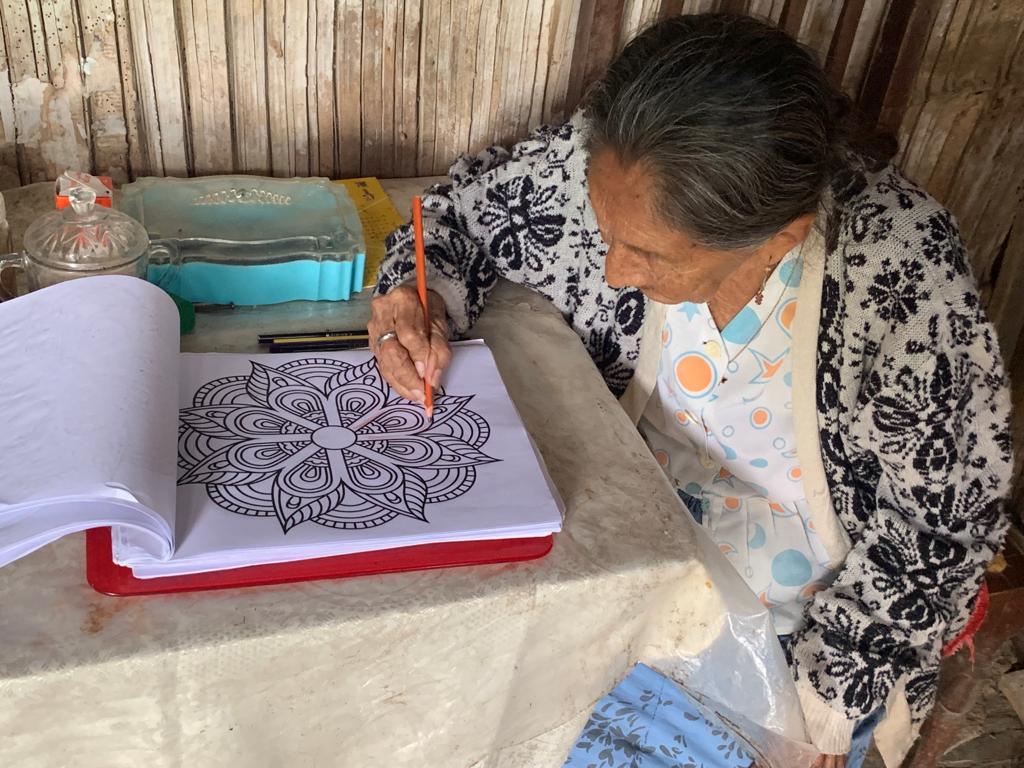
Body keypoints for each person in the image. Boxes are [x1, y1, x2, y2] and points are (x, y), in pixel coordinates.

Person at [368, 13, 1011, 767]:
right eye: (605, 231)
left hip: (794, 627)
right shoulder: (616, 165)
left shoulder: (899, 273)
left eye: (648, 253)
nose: (613, 270)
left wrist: (826, 706)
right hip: (616, 548)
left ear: (776, 239)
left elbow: (944, 526)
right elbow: (455, 214)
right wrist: (416, 300)